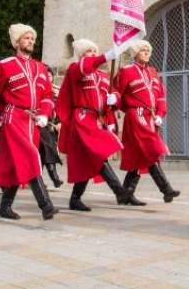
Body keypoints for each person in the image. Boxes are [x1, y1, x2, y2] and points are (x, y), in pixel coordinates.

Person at [0, 24, 57, 220]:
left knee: (18, 163)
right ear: (17, 42)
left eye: (32, 38)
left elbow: (47, 95)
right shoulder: (5, 65)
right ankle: (45, 204)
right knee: (30, 155)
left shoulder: (40, 67)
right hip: (13, 116)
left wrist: (45, 113)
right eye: (26, 38)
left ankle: (4, 206)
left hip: (33, 121)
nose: (30, 41)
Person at [55, 39, 133, 211]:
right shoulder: (76, 69)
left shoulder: (103, 76)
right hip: (83, 118)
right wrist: (106, 56)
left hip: (98, 119)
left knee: (88, 160)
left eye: (94, 51)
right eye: (89, 51)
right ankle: (119, 191)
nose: (93, 53)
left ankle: (75, 199)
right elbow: (85, 66)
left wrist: (114, 99)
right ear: (81, 54)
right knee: (99, 155)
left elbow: (114, 94)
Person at [113, 39, 180, 205]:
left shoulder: (153, 72)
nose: (146, 52)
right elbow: (116, 94)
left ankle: (125, 195)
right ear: (135, 53)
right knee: (151, 149)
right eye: (143, 49)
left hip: (152, 117)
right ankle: (166, 189)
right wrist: (124, 107)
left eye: (148, 50)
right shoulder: (126, 71)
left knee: (140, 155)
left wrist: (160, 114)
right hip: (136, 116)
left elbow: (161, 97)